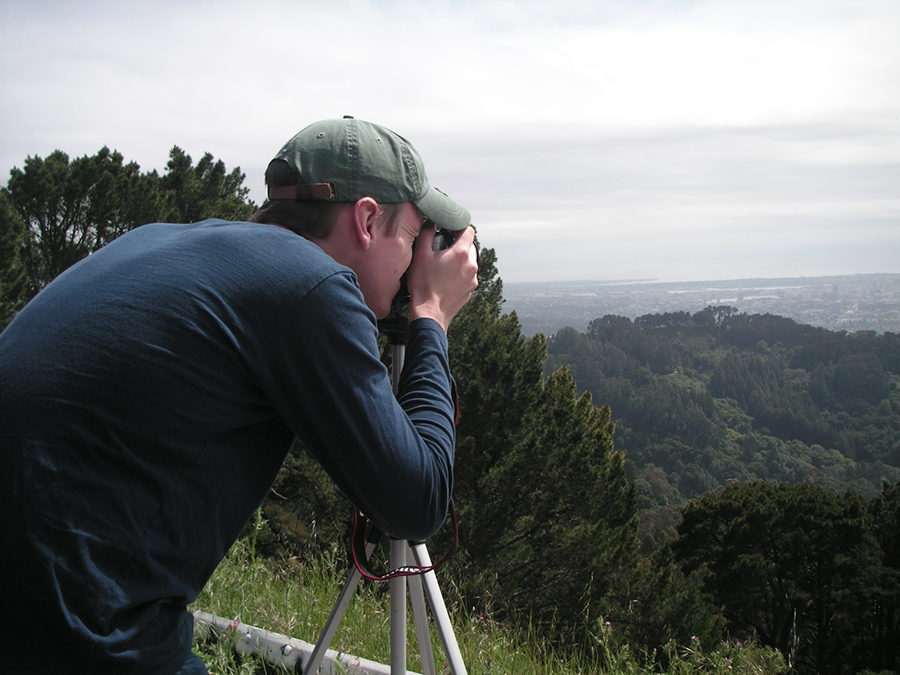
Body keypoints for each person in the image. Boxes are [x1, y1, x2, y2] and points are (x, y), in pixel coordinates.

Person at [0, 116, 479, 675]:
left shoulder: (159, 239)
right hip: (82, 637)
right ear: (367, 219)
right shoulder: (309, 284)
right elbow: (417, 501)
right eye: (412, 236)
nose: (415, 262)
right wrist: (431, 316)